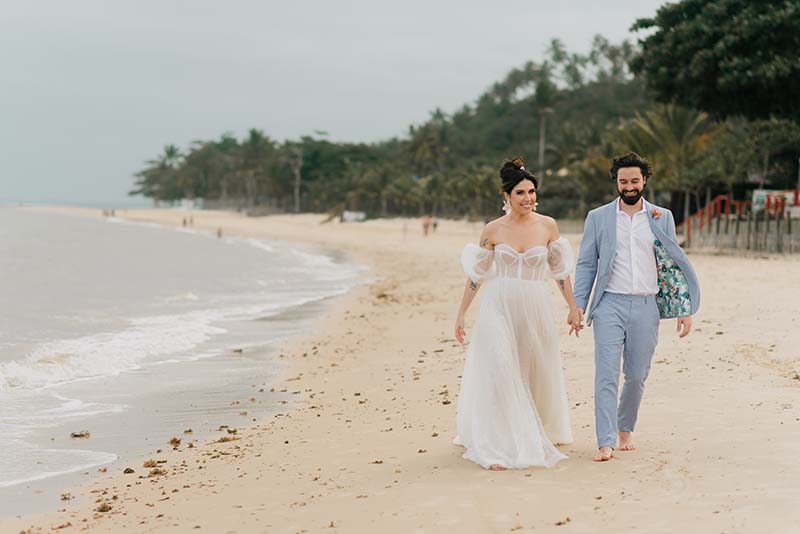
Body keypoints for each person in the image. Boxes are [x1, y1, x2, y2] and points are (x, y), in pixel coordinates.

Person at [572, 152, 701, 462]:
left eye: (634, 180)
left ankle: (624, 426)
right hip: (609, 305)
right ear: (616, 182)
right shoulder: (598, 217)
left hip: (647, 306)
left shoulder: (661, 216)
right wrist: (577, 305)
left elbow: (670, 266)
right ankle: (605, 441)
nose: (629, 186)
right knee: (605, 374)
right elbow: (587, 264)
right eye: (623, 181)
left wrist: (685, 308)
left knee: (636, 374)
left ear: (644, 181)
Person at [453, 157, 581, 470]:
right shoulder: (492, 230)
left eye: (532, 192)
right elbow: (477, 276)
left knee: (530, 369)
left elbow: (560, 272)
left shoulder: (547, 226)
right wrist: (460, 315)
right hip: (498, 305)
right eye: (521, 193)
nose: (528, 198)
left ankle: (533, 426)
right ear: (507, 196)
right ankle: (497, 440)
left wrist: (572, 307)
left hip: (535, 305)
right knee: (500, 366)